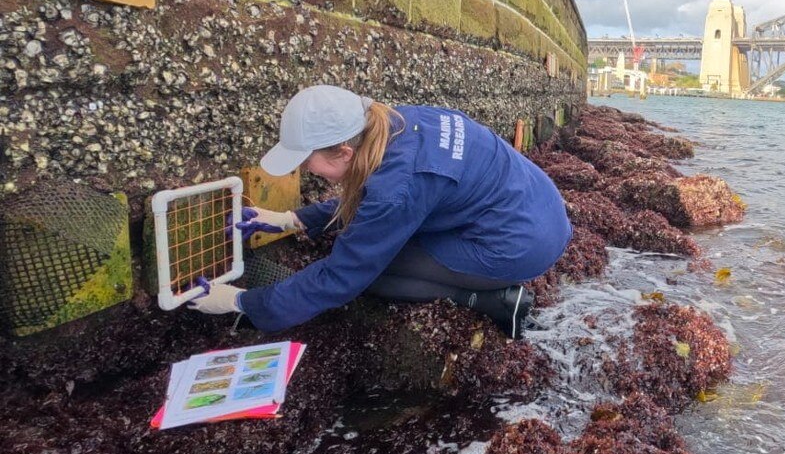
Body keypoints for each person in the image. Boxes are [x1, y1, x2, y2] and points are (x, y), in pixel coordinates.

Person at [189, 85, 572, 338]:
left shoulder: (398, 187)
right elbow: (381, 200)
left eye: (308, 163)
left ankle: (493, 300)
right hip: (538, 206)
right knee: (372, 250)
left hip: (518, 245)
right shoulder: (396, 121)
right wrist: (290, 219)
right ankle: (483, 288)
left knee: (374, 276)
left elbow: (343, 277)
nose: (305, 171)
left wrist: (240, 302)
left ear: (344, 152)